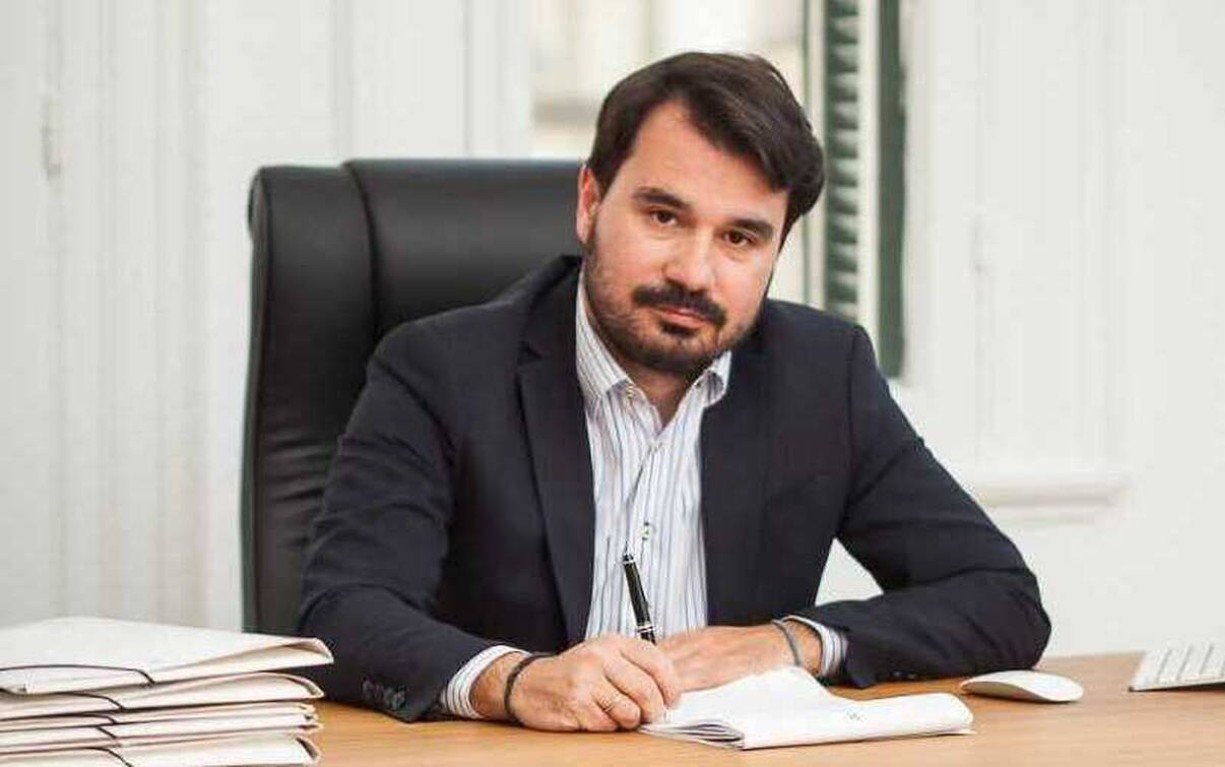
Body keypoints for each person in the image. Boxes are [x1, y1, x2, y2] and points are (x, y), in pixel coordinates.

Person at [299, 51, 1050, 731]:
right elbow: (344, 612)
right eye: (664, 216)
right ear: (591, 201)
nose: (694, 272)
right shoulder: (440, 369)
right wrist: (516, 680)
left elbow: (1000, 597)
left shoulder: (825, 374)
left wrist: (788, 643)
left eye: (740, 238)